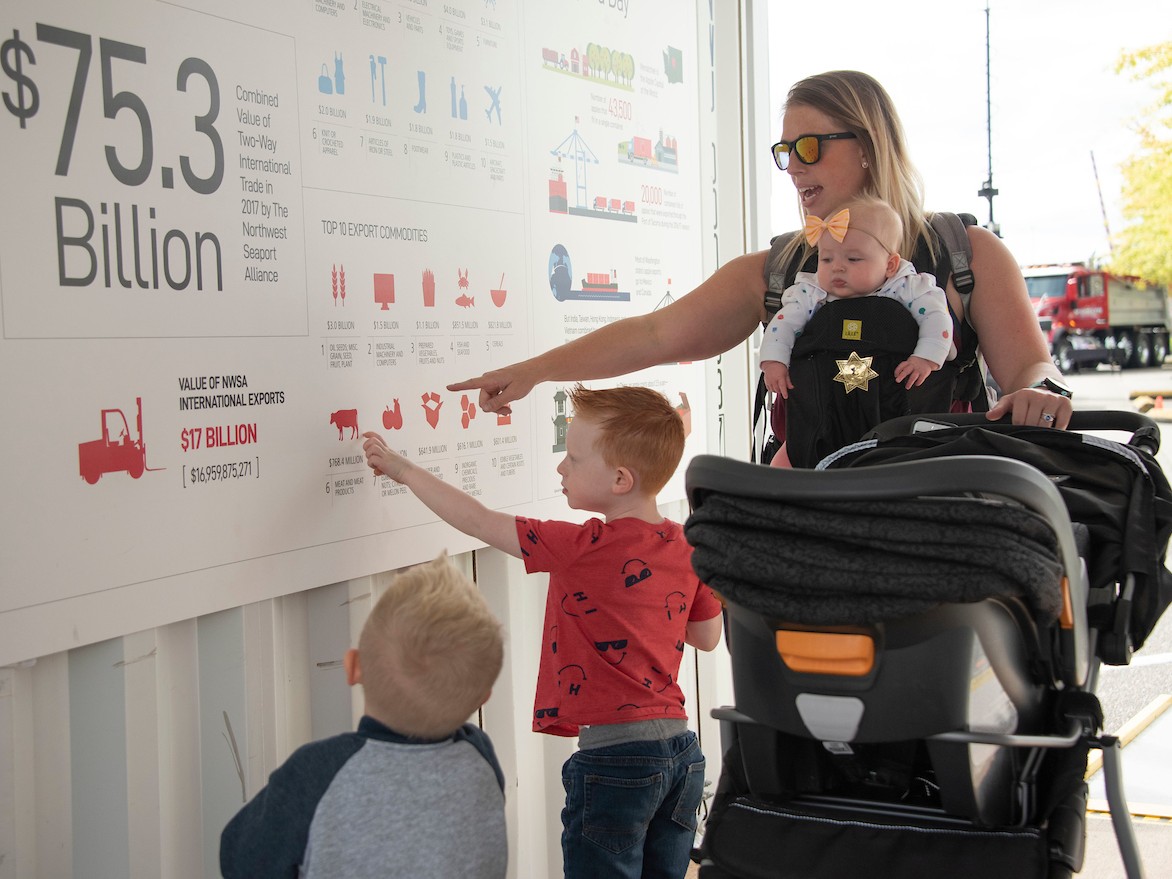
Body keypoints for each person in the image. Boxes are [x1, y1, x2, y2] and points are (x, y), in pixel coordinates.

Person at [447, 70, 1075, 441]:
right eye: (786, 151)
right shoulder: (775, 271)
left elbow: (1030, 368)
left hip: (935, 511)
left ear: (867, 145)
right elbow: (654, 334)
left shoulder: (969, 254)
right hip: (803, 524)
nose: (793, 166)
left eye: (810, 146)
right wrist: (533, 370)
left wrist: (1041, 392)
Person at [362, 384, 724, 879]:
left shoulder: (578, 545)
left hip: (615, 760)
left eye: (572, 458)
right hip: (681, 754)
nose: (561, 468)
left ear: (620, 479)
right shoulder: (688, 547)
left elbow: (479, 522)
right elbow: (706, 637)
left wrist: (402, 470)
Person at [219, 554, 507, 879]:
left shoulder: (316, 773)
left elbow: (241, 859)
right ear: (483, 697)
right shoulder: (480, 755)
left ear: (353, 666)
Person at [759, 196, 951, 399]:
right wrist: (774, 361)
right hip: (829, 396)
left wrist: (925, 358)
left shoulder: (907, 287)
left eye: (853, 259)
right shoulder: (811, 293)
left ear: (890, 265)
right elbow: (783, 325)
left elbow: (936, 316)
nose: (837, 267)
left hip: (894, 392)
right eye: (826, 259)